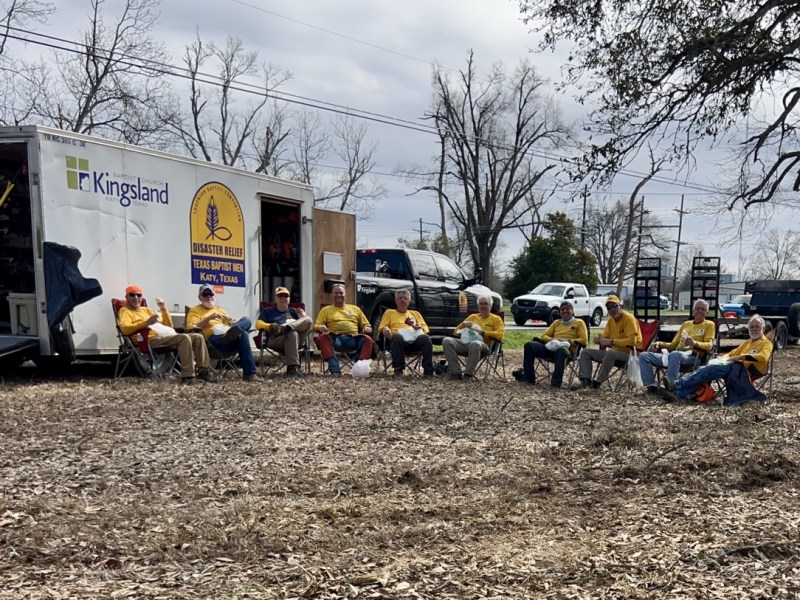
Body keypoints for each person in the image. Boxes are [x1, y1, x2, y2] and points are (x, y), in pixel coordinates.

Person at [661, 315, 773, 405]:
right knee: (707, 368)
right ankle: (680, 393)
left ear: (763, 328)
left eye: (757, 327)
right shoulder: (748, 342)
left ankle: (677, 387)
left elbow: (763, 357)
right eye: (752, 327)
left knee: (711, 369)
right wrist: (722, 358)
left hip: (750, 371)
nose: (754, 329)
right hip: (736, 367)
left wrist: (740, 357)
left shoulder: (766, 343)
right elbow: (732, 353)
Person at [117, 284, 216, 385]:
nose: (136, 298)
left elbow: (168, 325)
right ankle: (188, 376)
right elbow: (125, 329)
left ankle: (203, 372)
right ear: (126, 297)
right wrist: (145, 323)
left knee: (198, 337)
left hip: (162, 336)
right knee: (184, 338)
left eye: (139, 295)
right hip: (147, 340)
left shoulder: (147, 310)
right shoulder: (125, 311)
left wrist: (163, 309)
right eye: (132, 295)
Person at [639, 299, 716, 394]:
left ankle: (673, 386)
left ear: (707, 312)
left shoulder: (709, 325)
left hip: (693, 358)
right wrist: (660, 343)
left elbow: (709, 346)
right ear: (693, 311)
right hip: (674, 356)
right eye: (697, 308)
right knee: (644, 355)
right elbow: (673, 345)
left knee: (675, 354)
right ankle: (651, 386)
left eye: (703, 309)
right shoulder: (686, 324)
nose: (700, 311)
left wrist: (695, 343)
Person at [186, 284, 260, 382]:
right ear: (200, 297)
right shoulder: (195, 311)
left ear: (214, 295)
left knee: (246, 320)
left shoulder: (220, 310)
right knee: (244, 334)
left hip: (227, 337)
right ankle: (250, 374)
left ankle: (249, 375)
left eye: (211, 294)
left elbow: (228, 323)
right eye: (205, 294)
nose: (209, 296)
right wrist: (209, 318)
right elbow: (192, 328)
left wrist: (233, 322)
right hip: (212, 342)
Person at [575, 294, 642, 389]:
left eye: (615, 306)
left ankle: (597, 382)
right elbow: (606, 337)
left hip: (630, 355)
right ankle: (585, 381)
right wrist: (599, 340)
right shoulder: (611, 321)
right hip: (613, 354)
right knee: (586, 352)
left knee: (611, 352)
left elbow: (632, 341)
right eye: (609, 307)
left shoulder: (629, 319)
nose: (612, 309)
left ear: (620, 306)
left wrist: (611, 342)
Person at [520, 301, 588, 388]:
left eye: (568, 309)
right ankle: (529, 379)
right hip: (552, 347)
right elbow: (544, 336)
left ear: (572, 311)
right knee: (529, 345)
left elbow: (584, 340)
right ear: (560, 312)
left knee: (561, 350)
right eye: (562, 310)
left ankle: (555, 384)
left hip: (567, 350)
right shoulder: (556, 322)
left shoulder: (579, 322)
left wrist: (569, 341)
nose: (565, 311)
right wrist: (553, 339)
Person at [313, 283, 374, 376]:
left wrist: (367, 328)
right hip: (335, 339)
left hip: (353, 339)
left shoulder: (355, 309)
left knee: (367, 339)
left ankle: (359, 369)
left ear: (345, 294)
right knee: (323, 337)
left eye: (341, 293)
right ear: (331, 295)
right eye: (336, 293)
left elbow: (368, 326)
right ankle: (335, 370)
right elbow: (315, 326)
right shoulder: (326, 310)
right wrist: (320, 327)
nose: (338, 295)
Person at [442, 295, 505, 381]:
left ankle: (468, 375)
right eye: (481, 304)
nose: (483, 306)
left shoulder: (496, 319)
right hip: (466, 343)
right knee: (447, 341)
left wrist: (482, 332)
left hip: (484, 346)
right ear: (478, 306)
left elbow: (500, 335)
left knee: (475, 343)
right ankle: (455, 372)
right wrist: (465, 326)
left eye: (485, 304)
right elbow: (456, 332)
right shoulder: (473, 317)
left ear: (490, 305)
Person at [255, 286, 313, 377]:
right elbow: (258, 324)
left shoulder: (294, 311)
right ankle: (292, 368)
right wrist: (270, 326)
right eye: (280, 296)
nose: (283, 298)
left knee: (308, 319)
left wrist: (302, 316)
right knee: (292, 334)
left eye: (285, 296)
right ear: (275, 299)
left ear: (289, 299)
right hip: (276, 339)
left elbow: (307, 327)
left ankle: (285, 328)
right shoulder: (268, 311)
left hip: (297, 341)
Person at [377, 289, 434, 378]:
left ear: (409, 301)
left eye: (405, 298)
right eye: (400, 298)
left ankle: (428, 371)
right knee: (397, 337)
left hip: (414, 340)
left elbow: (426, 329)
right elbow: (381, 327)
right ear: (396, 300)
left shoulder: (415, 314)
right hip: (397, 341)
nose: (402, 300)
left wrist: (419, 327)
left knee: (426, 338)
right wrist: (385, 328)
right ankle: (398, 370)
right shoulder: (389, 312)